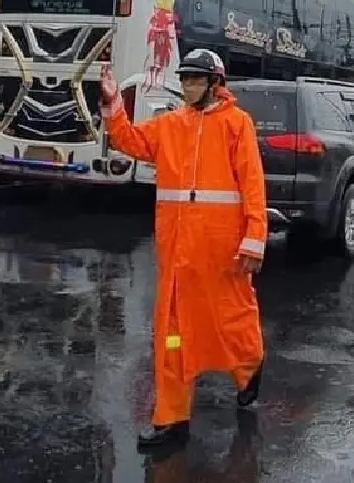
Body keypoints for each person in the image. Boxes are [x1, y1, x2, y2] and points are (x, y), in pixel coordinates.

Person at [99, 48, 268, 449]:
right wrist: (112, 104)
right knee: (172, 334)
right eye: (186, 78)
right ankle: (171, 418)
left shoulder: (237, 124)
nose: (188, 85)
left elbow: (253, 184)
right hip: (176, 252)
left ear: (214, 84)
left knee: (232, 321)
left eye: (195, 79)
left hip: (222, 251)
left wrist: (254, 238)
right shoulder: (170, 124)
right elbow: (129, 140)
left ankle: (249, 367)